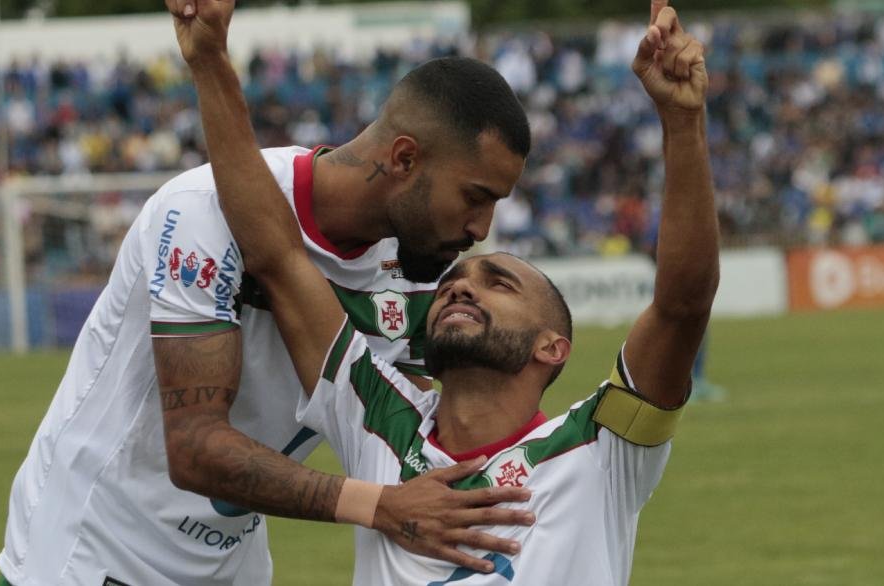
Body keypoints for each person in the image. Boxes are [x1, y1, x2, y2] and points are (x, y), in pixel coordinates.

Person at [0, 5, 539, 586]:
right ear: (405, 158)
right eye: (475, 196)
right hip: (92, 550)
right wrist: (379, 506)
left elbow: (428, 431)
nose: (481, 229)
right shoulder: (203, 212)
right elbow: (195, 446)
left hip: (230, 562)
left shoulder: (423, 271)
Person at [191, 0, 717, 582]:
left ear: (553, 348)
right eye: (453, 283)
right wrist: (210, 57)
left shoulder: (600, 450)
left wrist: (682, 122)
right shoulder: (379, 421)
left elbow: (682, 305)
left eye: (499, 284)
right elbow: (279, 254)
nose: (460, 287)